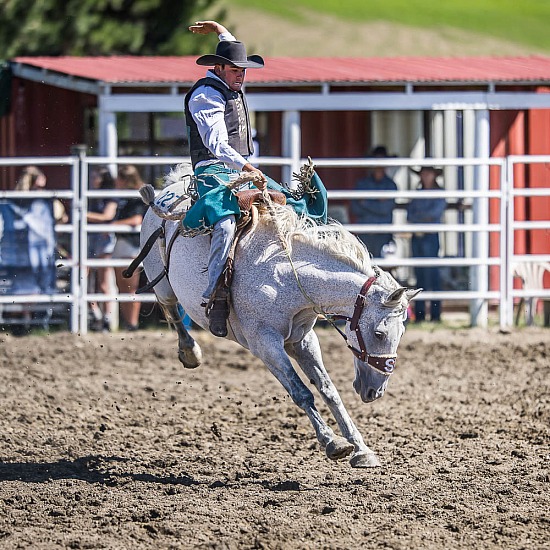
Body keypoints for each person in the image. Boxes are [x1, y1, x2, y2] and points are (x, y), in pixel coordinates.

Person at [185, 20, 327, 337]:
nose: (242, 75)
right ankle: (213, 292)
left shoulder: (226, 85)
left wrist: (221, 30)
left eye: (243, 70)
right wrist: (246, 168)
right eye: (236, 70)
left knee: (293, 204)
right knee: (224, 221)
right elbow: (216, 144)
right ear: (219, 68)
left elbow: (231, 47)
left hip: (242, 169)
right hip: (213, 169)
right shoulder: (205, 96)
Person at [407, 166, 447, 323]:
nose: (425, 176)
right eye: (423, 173)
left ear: (434, 175)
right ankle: (421, 314)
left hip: (429, 236)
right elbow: (411, 214)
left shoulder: (437, 194)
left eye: (428, 173)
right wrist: (423, 218)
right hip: (419, 236)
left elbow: (434, 214)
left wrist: (419, 218)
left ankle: (435, 314)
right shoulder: (419, 194)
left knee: (432, 275)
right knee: (420, 275)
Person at [111, 165, 148, 331]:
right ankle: (129, 323)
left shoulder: (137, 197)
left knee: (130, 288)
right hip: (123, 243)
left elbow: (136, 220)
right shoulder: (127, 197)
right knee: (123, 287)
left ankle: (132, 323)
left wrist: (111, 225)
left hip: (131, 245)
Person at [86, 167, 118, 331]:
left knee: (103, 281)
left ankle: (106, 317)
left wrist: (82, 214)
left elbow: (107, 216)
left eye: (96, 175)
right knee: (85, 277)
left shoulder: (109, 195)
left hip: (102, 239)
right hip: (89, 237)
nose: (93, 178)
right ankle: (94, 312)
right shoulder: (89, 195)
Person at [351, 145, 397, 258]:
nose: (379, 164)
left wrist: (365, 202)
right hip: (364, 233)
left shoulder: (390, 185)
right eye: (376, 160)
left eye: (381, 160)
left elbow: (385, 209)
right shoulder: (362, 184)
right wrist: (377, 203)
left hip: (382, 234)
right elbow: (354, 208)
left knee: (382, 268)